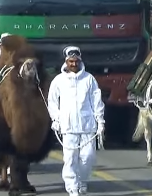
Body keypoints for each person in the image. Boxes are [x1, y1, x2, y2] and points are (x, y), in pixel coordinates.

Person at [47, 46, 105, 196]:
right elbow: (52, 102)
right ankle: (72, 186)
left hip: (87, 126)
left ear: (80, 60)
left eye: (76, 61)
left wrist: (100, 122)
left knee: (88, 157)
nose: (73, 64)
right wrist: (56, 119)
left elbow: (96, 101)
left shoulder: (89, 79)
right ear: (66, 61)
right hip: (68, 126)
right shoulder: (58, 80)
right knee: (70, 159)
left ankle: (82, 181)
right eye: (70, 61)